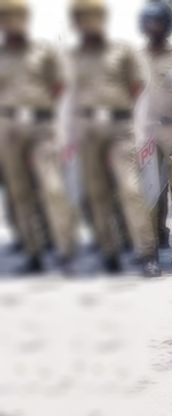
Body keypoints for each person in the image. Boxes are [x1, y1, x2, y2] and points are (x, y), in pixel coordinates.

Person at [68, 0, 160, 276]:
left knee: (130, 189)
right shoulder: (72, 57)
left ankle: (146, 252)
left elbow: (138, 90)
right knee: (96, 193)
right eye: (83, 18)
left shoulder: (123, 50)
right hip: (87, 129)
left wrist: (137, 127)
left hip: (120, 128)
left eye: (93, 16)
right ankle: (109, 251)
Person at [0, 0, 75, 273]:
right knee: (20, 193)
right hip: (8, 128)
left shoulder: (43, 51)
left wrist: (58, 127)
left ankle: (65, 248)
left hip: (42, 127)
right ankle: (33, 251)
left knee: (52, 188)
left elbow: (60, 88)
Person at [139, 0, 172, 267]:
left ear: (167, 25)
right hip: (147, 130)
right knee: (149, 189)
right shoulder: (137, 57)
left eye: (159, 22)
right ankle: (150, 245)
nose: (154, 27)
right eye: (149, 22)